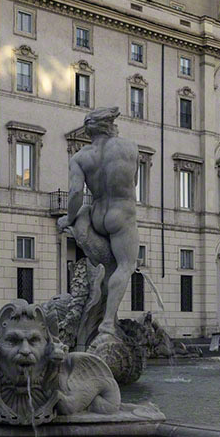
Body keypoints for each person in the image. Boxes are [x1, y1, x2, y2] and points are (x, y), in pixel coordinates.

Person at [56, 107, 140, 343]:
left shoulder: (80, 157)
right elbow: (132, 181)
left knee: (109, 270)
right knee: (125, 266)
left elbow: (75, 195)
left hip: (97, 214)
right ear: (111, 125)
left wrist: (70, 219)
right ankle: (106, 324)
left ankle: (96, 315)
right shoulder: (128, 147)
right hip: (121, 214)